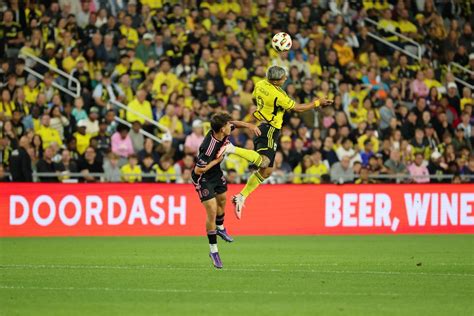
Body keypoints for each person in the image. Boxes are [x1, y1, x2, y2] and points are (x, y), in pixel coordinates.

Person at [228, 65, 332, 217]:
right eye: (284, 77)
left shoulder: (260, 84)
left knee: (267, 171)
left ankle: (241, 196)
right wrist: (317, 102)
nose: (286, 79)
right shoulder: (278, 96)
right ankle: (232, 149)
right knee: (263, 163)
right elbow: (298, 108)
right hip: (270, 129)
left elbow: (254, 99)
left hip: (263, 125)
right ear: (277, 81)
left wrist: (264, 110)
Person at [191, 112, 264, 269]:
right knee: (211, 210)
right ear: (222, 129)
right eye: (227, 125)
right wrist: (217, 161)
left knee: (223, 199)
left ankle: (220, 228)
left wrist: (250, 125)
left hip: (216, 174)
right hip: (203, 178)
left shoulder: (222, 131)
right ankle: (214, 251)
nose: (230, 126)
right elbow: (198, 170)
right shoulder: (209, 147)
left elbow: (235, 123)